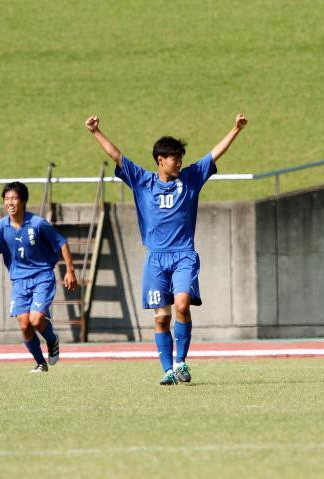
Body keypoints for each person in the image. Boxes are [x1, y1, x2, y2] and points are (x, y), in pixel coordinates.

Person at [85, 113, 247, 385]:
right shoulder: (142, 181)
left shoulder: (191, 179)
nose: (180, 162)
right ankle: (167, 369)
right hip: (156, 259)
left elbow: (213, 155)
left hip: (184, 254)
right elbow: (117, 156)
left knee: (182, 305)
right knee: (161, 318)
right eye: (175, 158)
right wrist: (96, 132)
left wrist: (235, 129)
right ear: (161, 160)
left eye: (181, 157)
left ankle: (181, 362)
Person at [0, 182, 78, 373]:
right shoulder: (0, 228)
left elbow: (62, 243)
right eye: (6, 199)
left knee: (36, 319)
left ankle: (52, 340)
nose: (10, 202)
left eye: (14, 198)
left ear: (23, 201)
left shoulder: (38, 224)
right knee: (25, 325)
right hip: (19, 282)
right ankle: (41, 363)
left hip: (42, 276)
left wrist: (70, 270)